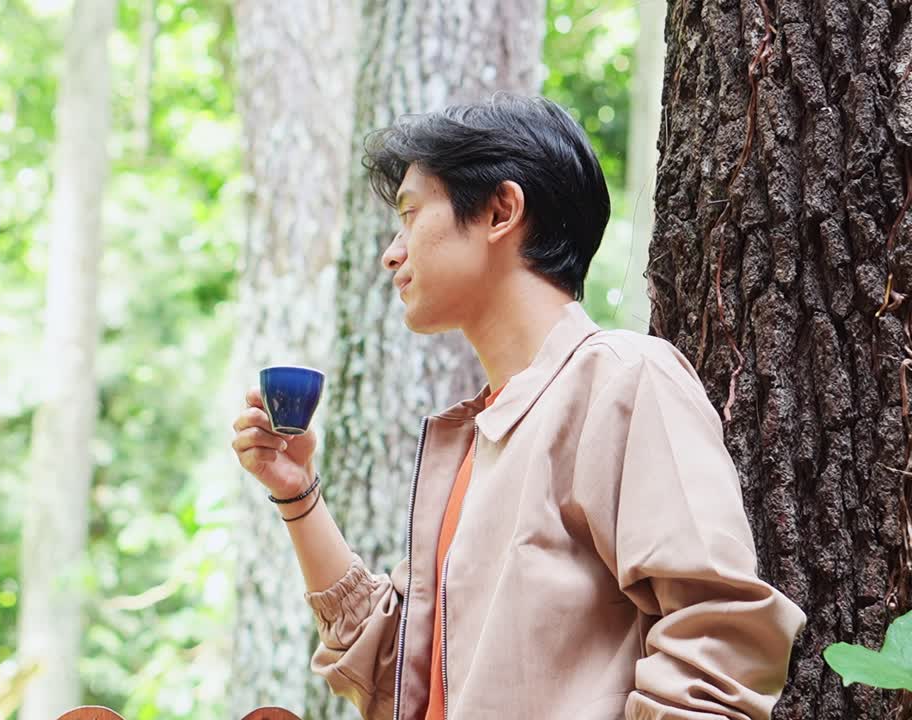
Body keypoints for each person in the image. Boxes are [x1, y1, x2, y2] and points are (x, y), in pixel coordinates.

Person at [230, 94, 807, 720]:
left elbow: (714, 641)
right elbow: (398, 671)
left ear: (501, 210)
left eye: (410, 215)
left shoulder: (622, 380)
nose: (391, 253)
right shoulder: (478, 437)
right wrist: (296, 493)